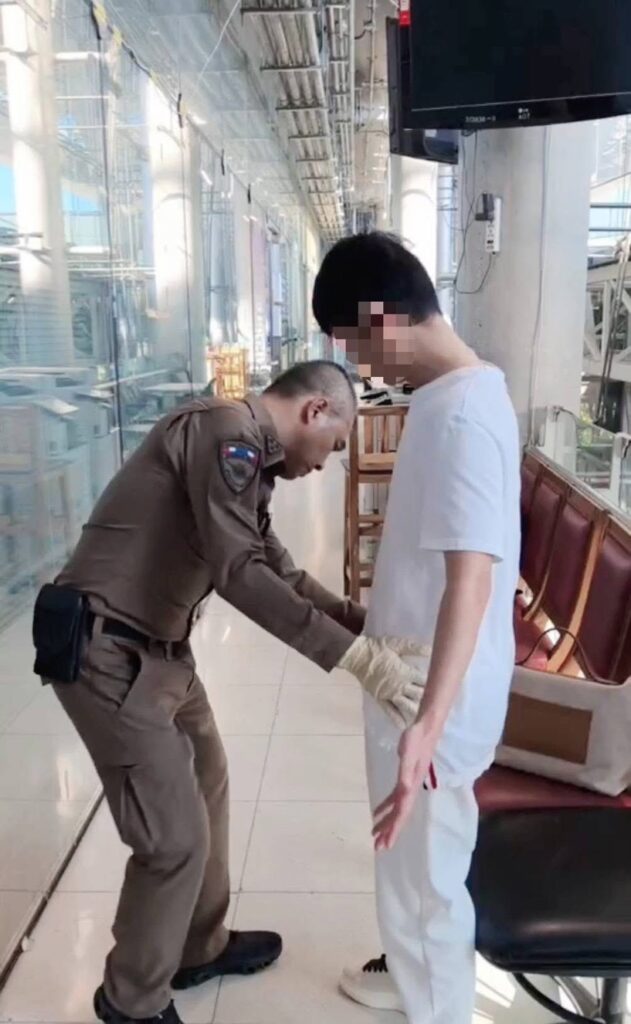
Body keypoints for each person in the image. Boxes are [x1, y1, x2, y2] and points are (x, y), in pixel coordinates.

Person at [31, 359, 426, 1024]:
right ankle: (130, 1001)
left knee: (208, 778)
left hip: (158, 652)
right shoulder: (225, 432)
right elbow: (238, 572)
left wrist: (367, 628)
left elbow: (279, 572)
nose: (327, 463)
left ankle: (197, 946)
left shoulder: (246, 456)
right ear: (314, 410)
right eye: (334, 444)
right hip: (107, 654)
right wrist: (354, 660)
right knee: (173, 840)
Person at [312, 235, 521, 1024]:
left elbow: (472, 577)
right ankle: (410, 978)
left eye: (356, 344)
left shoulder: (462, 417)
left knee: (427, 883)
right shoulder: (451, 396)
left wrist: (427, 727)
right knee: (408, 869)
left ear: (382, 318)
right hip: (411, 675)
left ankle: (437, 1006)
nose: (361, 366)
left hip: (432, 695)